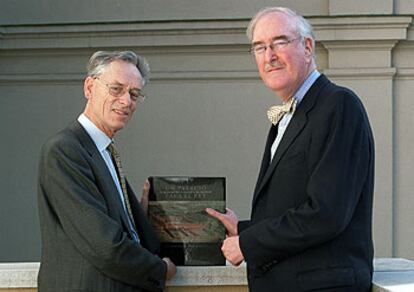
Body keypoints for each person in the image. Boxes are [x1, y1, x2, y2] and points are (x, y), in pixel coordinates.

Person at [207, 7, 375, 292]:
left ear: (307, 47)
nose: (269, 56)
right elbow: (293, 204)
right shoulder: (290, 115)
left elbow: (326, 213)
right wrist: (243, 229)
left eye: (280, 42)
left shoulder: (338, 105)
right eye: (259, 47)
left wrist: (248, 243)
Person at [37, 50, 176, 292]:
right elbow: (105, 247)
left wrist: (140, 217)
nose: (126, 101)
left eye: (134, 94)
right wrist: (161, 270)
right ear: (89, 88)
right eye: (116, 89)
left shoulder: (104, 152)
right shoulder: (65, 150)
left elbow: (113, 228)